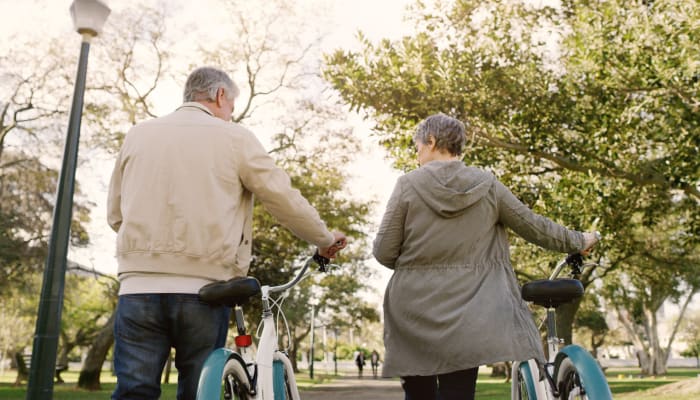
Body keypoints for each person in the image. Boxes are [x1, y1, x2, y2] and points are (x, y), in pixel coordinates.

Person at [107, 66, 346, 400]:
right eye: (231, 108)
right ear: (220, 96)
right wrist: (323, 238)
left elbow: (116, 216)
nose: (230, 116)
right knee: (196, 391)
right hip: (204, 290)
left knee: (134, 390)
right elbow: (282, 198)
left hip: (138, 289)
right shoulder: (234, 138)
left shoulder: (138, 134)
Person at [372, 113, 599, 400]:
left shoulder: (406, 185)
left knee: (419, 395)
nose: (416, 153)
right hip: (470, 309)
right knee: (459, 393)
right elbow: (534, 226)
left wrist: (415, 265)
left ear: (431, 141)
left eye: (417, 146)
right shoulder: (487, 185)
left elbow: (383, 251)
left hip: (414, 311)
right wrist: (579, 240)